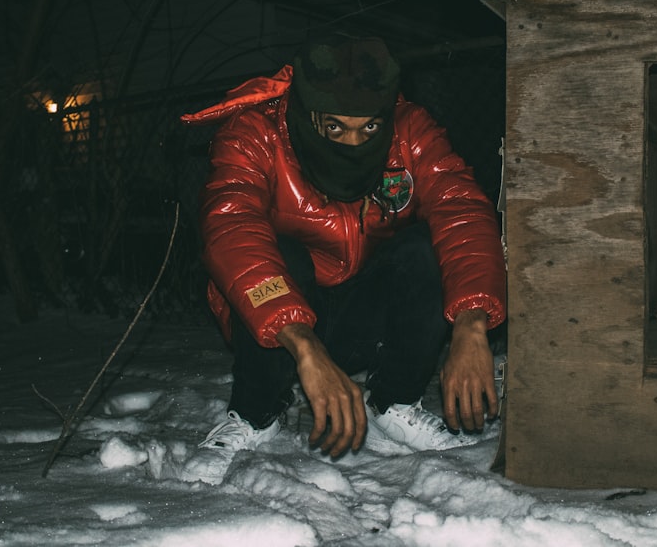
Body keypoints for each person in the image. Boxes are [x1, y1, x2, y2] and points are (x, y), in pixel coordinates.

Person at [179, 32, 506, 483]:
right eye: (335, 127)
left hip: (361, 312)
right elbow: (230, 228)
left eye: (369, 127)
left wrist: (472, 322)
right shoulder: (255, 134)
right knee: (275, 253)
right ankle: (255, 413)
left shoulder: (410, 130)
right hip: (283, 320)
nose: (353, 142)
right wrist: (305, 346)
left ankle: (395, 401)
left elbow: (461, 211)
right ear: (306, 114)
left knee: (424, 247)